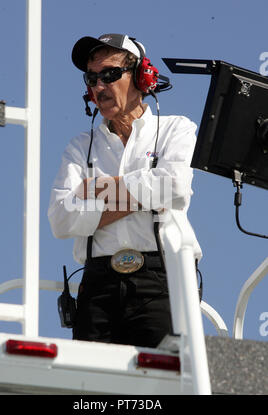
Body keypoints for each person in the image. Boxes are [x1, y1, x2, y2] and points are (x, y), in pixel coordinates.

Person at [48, 33, 198, 348]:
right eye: (92, 77)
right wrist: (148, 196)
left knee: (168, 383)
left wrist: (96, 188)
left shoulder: (176, 128)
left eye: (110, 75)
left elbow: (175, 187)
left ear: (142, 77)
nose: (99, 85)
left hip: (163, 279)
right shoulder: (79, 146)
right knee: (94, 388)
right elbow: (61, 220)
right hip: (97, 286)